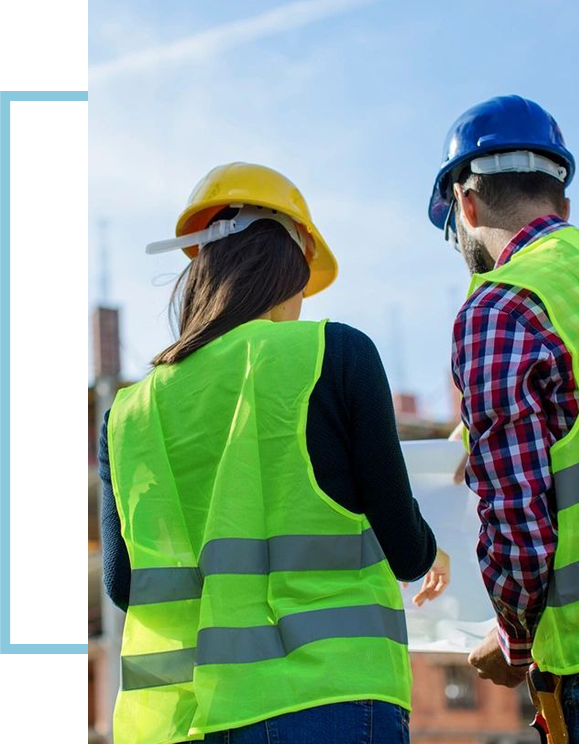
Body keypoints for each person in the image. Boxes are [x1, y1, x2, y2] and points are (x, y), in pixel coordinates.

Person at [99, 162, 449, 744]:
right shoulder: (334, 354)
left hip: (186, 718)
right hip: (328, 698)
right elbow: (403, 544)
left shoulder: (128, 414)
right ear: (291, 268)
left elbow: (124, 584)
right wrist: (432, 552)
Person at [428, 95, 579, 743]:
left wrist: (512, 640)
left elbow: (517, 523)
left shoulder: (500, 307)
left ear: (465, 205)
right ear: (561, 202)